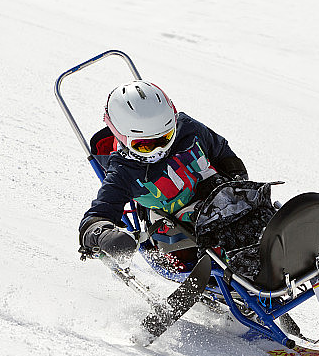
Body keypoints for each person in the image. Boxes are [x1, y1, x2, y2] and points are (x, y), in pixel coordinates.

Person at [78, 80, 248, 262]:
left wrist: (237, 176)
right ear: (122, 137)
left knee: (260, 216)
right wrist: (104, 235)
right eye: (144, 145)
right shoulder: (123, 172)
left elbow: (221, 151)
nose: (159, 149)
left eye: (166, 138)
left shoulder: (188, 129)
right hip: (180, 236)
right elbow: (96, 216)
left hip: (225, 203)